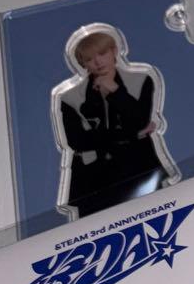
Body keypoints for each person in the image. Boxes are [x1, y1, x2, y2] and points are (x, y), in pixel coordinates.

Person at [54, 29, 174, 219]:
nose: (98, 62)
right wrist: (133, 135)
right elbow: (77, 141)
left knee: (158, 221)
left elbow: (139, 120)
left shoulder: (140, 80)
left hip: (140, 169)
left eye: (102, 53)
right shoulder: (69, 96)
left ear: (114, 51)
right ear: (83, 63)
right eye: (89, 59)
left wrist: (115, 91)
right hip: (93, 180)